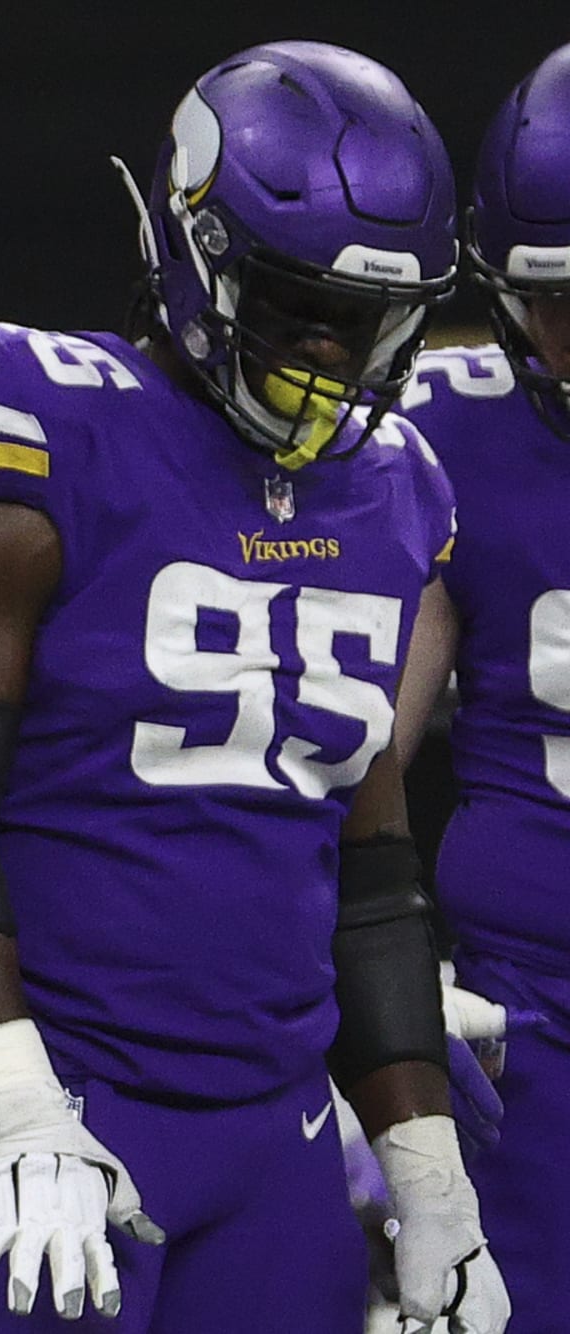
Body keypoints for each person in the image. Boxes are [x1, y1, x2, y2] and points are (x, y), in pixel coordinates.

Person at [0, 41, 509, 1331]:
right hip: (64, 1104)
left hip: (276, 1125)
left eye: (361, 319)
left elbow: (368, 864)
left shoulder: (394, 486)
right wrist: (18, 1106)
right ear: (195, 251)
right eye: (295, 305)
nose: (326, 354)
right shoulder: (40, 417)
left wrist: (424, 1167)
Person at [391, 39, 570, 1328]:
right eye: (558, 297)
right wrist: (365, 987)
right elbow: (350, 754)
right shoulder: (444, 429)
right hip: (530, 1003)